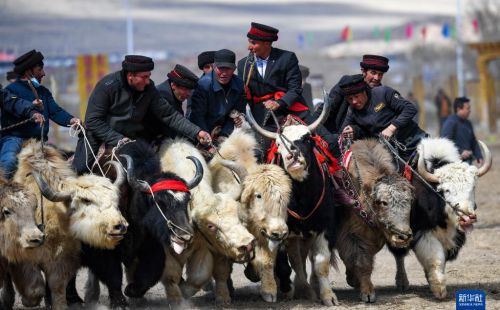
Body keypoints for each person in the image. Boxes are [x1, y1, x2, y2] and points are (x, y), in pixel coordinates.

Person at [72, 55, 211, 175]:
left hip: (130, 140)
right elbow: (93, 120)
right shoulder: (107, 86)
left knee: (147, 173)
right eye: (144, 77)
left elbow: (169, 115)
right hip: (98, 137)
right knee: (80, 170)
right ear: (130, 75)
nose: (148, 81)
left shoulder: (149, 89)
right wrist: (119, 139)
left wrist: (197, 132)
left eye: (149, 76)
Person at [1, 49, 76, 178]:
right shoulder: (10, 91)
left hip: (39, 141)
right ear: (28, 71)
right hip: (15, 139)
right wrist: (32, 111)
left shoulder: (44, 92)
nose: (43, 73)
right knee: (9, 163)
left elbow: (56, 111)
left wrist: (71, 120)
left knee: (64, 165)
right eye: (40, 69)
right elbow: (16, 106)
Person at [340, 74, 426, 162]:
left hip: (416, 141)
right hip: (394, 156)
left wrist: (391, 128)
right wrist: (353, 130)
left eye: (356, 96)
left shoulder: (383, 93)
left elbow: (410, 109)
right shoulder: (352, 111)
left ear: (364, 91)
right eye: (350, 99)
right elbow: (345, 132)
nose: (354, 101)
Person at [188, 49, 245, 145]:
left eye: (228, 68)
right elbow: (197, 116)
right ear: (214, 67)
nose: (224, 73)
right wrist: (207, 142)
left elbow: (237, 110)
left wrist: (224, 135)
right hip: (202, 134)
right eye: (220, 68)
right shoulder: (203, 85)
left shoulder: (239, 84)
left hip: (225, 134)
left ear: (234, 69)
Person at [323, 54, 390, 135]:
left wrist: (356, 131)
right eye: (373, 73)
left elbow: (376, 126)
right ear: (363, 71)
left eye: (380, 74)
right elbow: (325, 111)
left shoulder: (383, 96)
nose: (377, 78)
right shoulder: (346, 85)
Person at [441, 97, 483, 165]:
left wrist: (479, 156)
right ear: (458, 109)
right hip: (453, 164)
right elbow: (445, 142)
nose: (470, 110)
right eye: (468, 108)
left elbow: (473, 141)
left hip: (467, 162)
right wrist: (460, 152)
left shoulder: (468, 123)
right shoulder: (450, 122)